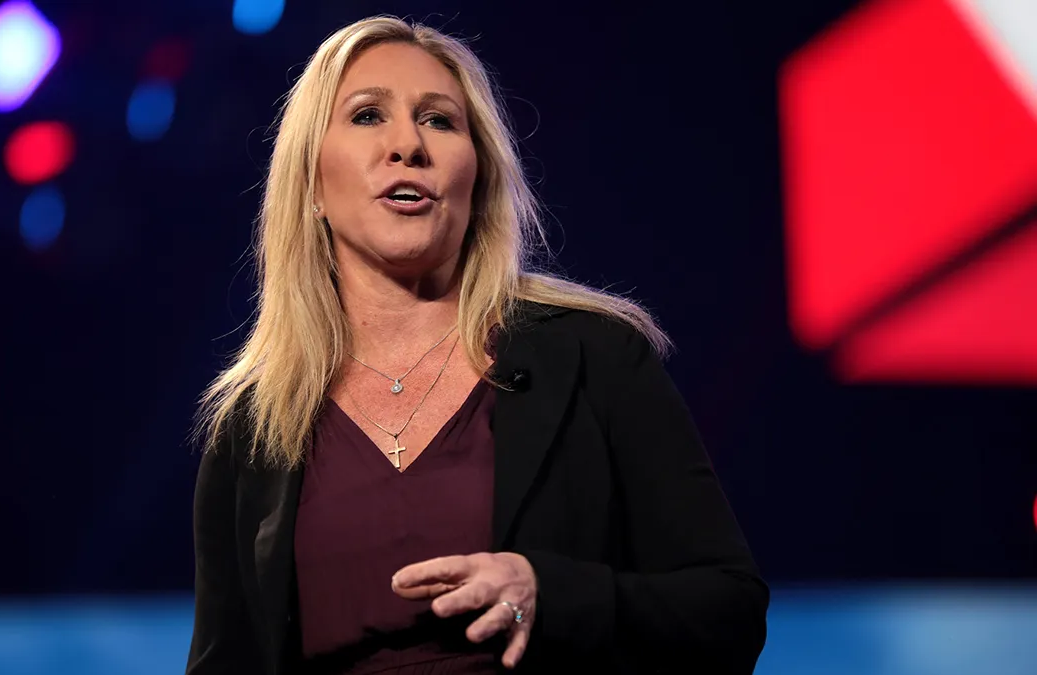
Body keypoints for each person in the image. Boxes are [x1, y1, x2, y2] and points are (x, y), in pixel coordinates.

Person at [186, 15, 768, 675]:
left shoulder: (596, 358)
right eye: (368, 115)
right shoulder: (255, 425)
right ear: (312, 182)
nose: (408, 145)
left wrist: (549, 593)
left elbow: (729, 611)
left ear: (479, 178)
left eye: (439, 120)